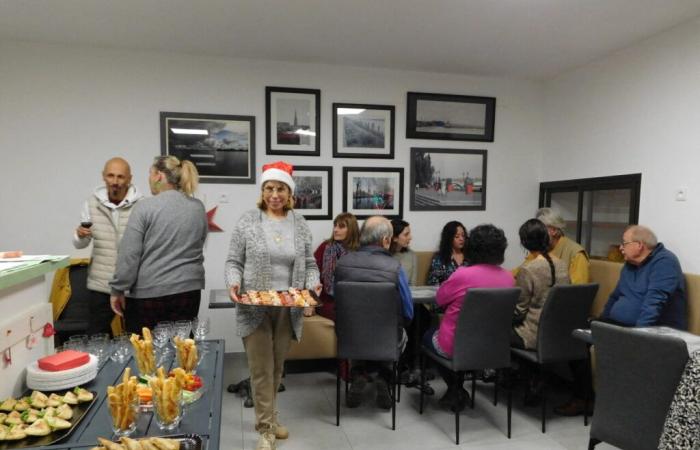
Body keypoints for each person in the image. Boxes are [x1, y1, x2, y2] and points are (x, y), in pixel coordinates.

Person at [225, 161, 320, 450]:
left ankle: (271, 417)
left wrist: (314, 284)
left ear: (289, 192)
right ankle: (265, 429)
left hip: (287, 305)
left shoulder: (300, 223)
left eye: (280, 188)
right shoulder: (247, 220)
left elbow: (310, 263)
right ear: (262, 190)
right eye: (269, 188)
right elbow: (234, 261)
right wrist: (233, 281)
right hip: (254, 304)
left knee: (277, 368)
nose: (274, 194)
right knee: (261, 369)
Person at [109, 156, 207, 333]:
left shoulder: (144, 207)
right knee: (183, 350)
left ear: (159, 176)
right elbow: (199, 244)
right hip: (189, 291)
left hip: (149, 295)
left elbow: (129, 255)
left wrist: (118, 289)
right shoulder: (197, 207)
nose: (149, 179)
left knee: (146, 353)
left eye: (150, 174)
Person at [423, 224, 514, 411]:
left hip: (456, 345)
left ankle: (456, 388)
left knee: (427, 336)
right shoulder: (508, 278)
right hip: (492, 347)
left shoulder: (462, 274)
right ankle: (457, 390)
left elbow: (439, 299)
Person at [334, 216, 414, 410]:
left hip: (350, 337)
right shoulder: (395, 268)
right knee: (394, 333)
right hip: (385, 338)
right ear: (386, 240)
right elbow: (408, 311)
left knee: (359, 331)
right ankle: (384, 378)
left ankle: (359, 375)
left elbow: (338, 300)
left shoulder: (343, 263)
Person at [73, 157, 142, 336]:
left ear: (129, 178)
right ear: (103, 176)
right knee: (96, 338)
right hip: (101, 284)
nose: (115, 181)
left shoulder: (143, 205)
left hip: (134, 286)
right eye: (110, 176)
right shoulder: (91, 204)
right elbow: (81, 244)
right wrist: (79, 235)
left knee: (138, 338)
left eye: (120, 177)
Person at [600, 225, 686, 329]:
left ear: (639, 245)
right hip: (618, 326)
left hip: (651, 331)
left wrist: (638, 337)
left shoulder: (665, 262)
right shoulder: (630, 263)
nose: (620, 247)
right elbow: (615, 296)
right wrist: (601, 324)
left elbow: (653, 305)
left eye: (624, 243)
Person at [511, 219, 570, 350]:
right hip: (558, 333)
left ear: (524, 243)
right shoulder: (563, 265)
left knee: (492, 331)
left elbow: (519, 312)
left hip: (533, 335)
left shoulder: (528, 269)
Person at [514, 207, 590, 284]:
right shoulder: (540, 247)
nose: (536, 233)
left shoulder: (576, 254)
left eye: (540, 229)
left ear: (553, 230)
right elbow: (519, 272)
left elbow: (577, 291)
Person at [313, 213, 360, 321]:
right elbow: (314, 275)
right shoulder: (324, 247)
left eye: (341, 226)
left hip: (352, 299)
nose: (335, 230)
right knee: (342, 314)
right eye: (335, 226)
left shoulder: (359, 251)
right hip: (327, 300)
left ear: (351, 229)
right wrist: (311, 302)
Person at [426, 221, 467, 285]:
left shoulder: (470, 256)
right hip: (448, 293)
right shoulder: (439, 258)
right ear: (449, 238)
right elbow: (433, 282)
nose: (461, 239)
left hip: (469, 293)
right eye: (457, 236)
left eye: (463, 235)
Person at [390, 219, 417, 285]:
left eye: (409, 234)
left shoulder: (412, 256)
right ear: (394, 238)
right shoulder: (382, 256)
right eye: (406, 234)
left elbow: (413, 285)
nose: (410, 237)